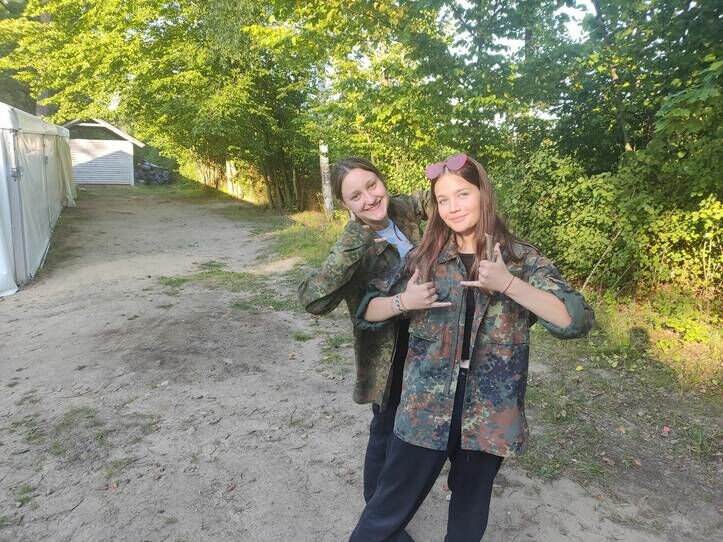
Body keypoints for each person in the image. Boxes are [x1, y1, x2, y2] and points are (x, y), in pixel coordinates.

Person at [349, 153, 594, 542]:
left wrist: (508, 284)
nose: (453, 207)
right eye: (443, 199)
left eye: (462, 194)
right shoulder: (425, 258)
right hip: (424, 408)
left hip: (489, 412)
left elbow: (574, 320)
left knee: (467, 519)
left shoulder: (519, 259)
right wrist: (403, 302)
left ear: (483, 194)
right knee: (382, 517)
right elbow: (366, 311)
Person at [298, 157, 430, 541]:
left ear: (382, 180)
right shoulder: (355, 244)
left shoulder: (401, 209)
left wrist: (451, 175)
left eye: (372, 185)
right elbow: (313, 300)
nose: (370, 198)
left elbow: (434, 197)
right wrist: (352, 243)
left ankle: (389, 506)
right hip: (390, 350)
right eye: (355, 196)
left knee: (414, 431)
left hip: (428, 339)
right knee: (387, 431)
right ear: (345, 205)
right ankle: (379, 516)